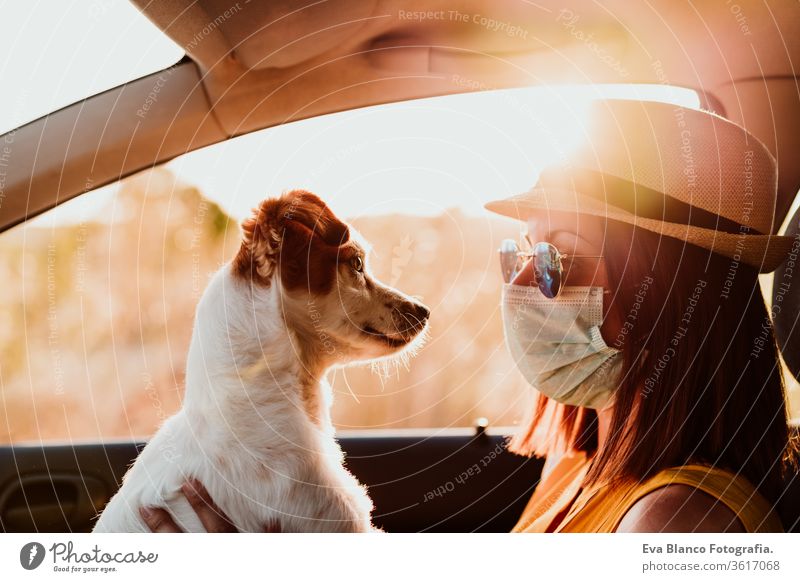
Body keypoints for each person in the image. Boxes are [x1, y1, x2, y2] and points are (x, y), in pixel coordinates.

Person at [140, 98, 798, 533]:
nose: (518, 283)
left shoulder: (676, 524)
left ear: (671, 298)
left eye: (558, 261)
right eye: (520, 253)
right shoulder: (582, 465)